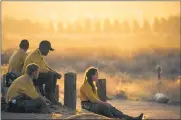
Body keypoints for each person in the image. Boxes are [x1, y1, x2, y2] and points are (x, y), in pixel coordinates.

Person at [80, 67, 144, 120]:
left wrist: (107, 104)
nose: (98, 76)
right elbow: (93, 100)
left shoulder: (92, 85)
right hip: (87, 105)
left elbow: (96, 99)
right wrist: (104, 103)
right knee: (105, 106)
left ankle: (132, 119)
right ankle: (113, 118)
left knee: (111, 108)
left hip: (93, 104)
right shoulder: (86, 86)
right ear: (92, 75)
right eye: (96, 75)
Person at [21, 40, 62, 105]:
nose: (48, 52)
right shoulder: (35, 55)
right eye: (48, 50)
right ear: (44, 48)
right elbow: (40, 68)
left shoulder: (39, 54)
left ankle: (51, 96)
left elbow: (46, 66)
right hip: (29, 77)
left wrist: (55, 72)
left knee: (53, 74)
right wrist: (53, 73)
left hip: (34, 76)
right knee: (50, 75)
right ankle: (49, 96)